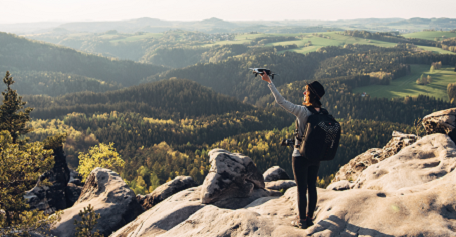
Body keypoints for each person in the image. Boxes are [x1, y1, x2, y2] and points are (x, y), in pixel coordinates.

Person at [261, 72, 325, 229]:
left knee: (301, 189)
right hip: (315, 157)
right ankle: (309, 218)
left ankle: (301, 221)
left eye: (306, 91)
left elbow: (281, 101)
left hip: (300, 156)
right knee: (312, 187)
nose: (303, 93)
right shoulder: (323, 114)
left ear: (312, 95)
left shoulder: (302, 111)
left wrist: (269, 82)